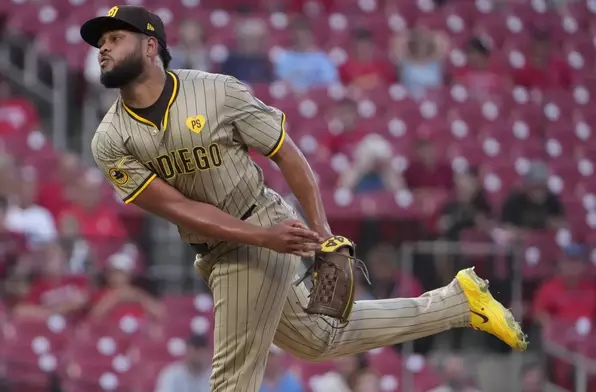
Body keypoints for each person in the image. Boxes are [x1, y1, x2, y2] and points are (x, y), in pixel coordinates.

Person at [80, 6, 526, 391]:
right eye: (100, 42)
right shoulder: (110, 139)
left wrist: (323, 231)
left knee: (232, 377)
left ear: (151, 47)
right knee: (320, 341)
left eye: (116, 38)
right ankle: (457, 303)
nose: (103, 48)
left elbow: (286, 154)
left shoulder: (215, 91)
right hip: (237, 242)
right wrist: (264, 238)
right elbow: (179, 208)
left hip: (264, 227)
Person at [273, 18, 338, 90]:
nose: (301, 38)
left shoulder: (323, 59)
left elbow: (329, 83)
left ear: (311, 35)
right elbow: (282, 82)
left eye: (304, 34)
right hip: (292, 97)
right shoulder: (285, 58)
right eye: (298, 35)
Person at [221, 18, 273, 83]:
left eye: (255, 40)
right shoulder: (231, 62)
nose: (252, 44)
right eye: (248, 40)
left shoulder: (265, 63)